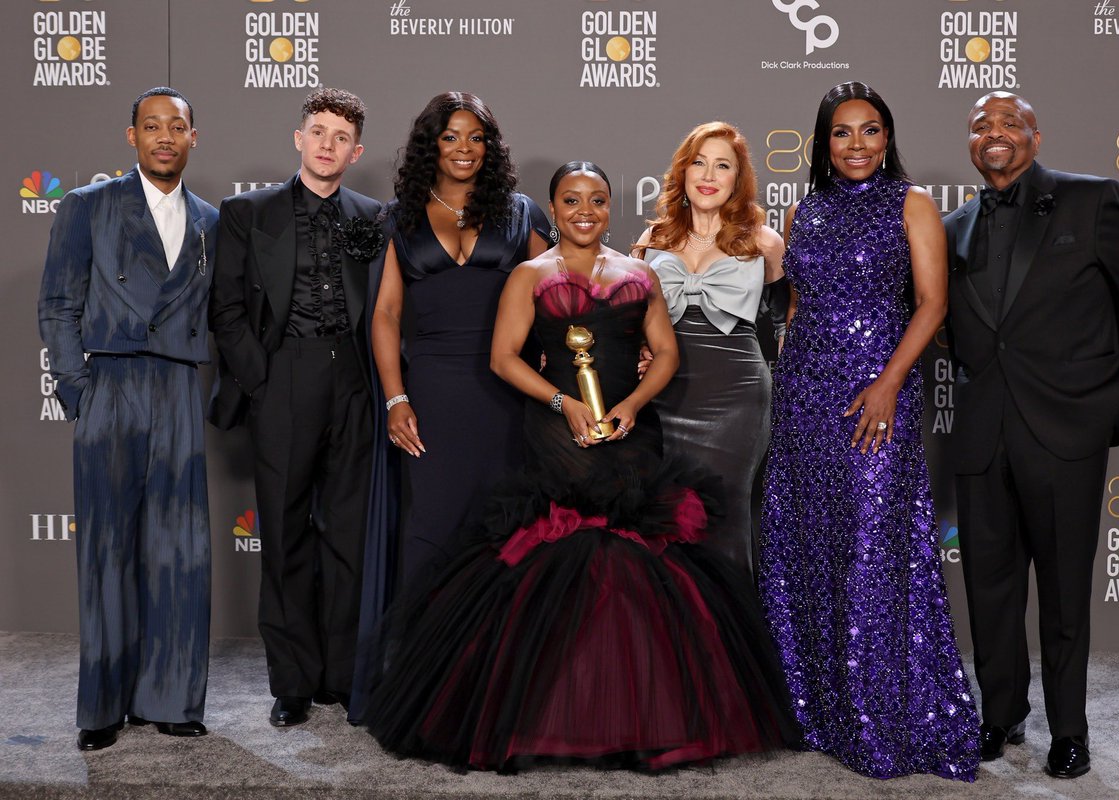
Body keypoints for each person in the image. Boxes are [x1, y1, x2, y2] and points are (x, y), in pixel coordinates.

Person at [363, 162, 797, 771]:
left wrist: (632, 405)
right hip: (555, 433)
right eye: (571, 200)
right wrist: (560, 401)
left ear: (611, 206)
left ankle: (637, 714)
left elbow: (667, 353)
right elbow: (503, 358)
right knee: (560, 556)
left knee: (636, 563)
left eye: (596, 199)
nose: (584, 210)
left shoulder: (638, 273)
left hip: (629, 433)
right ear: (554, 207)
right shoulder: (528, 275)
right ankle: (552, 715)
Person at [759, 81, 979, 780]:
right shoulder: (805, 210)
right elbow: (796, 305)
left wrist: (886, 384)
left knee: (871, 548)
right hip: (803, 396)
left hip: (876, 394)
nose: (857, 145)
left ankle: (879, 712)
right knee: (809, 544)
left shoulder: (912, 203)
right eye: (842, 133)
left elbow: (934, 303)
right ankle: (817, 708)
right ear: (823, 143)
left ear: (888, 137)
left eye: (870, 130)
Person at [943, 92, 1119, 779]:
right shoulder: (952, 225)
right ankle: (999, 714)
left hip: (1066, 426)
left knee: (1065, 589)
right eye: (982, 126)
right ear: (971, 144)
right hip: (982, 430)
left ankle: (1070, 730)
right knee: (989, 585)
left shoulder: (1089, 199)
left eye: (1010, 123)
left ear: (1035, 138)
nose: (995, 134)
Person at [38, 87, 217, 751]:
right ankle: (104, 707)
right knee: (107, 549)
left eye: (177, 126)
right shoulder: (88, 206)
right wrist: (78, 391)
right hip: (109, 384)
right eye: (152, 126)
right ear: (131, 137)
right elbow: (57, 304)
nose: (164, 136)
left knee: (182, 551)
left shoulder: (211, 221)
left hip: (176, 387)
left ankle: (171, 699)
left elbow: (222, 316)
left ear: (193, 137)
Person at [209, 88, 384, 727]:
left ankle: (341, 675)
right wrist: (261, 382)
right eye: (317, 131)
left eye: (341, 136)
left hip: (356, 383)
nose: (327, 144)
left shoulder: (376, 216)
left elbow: (389, 311)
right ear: (299, 138)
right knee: (282, 533)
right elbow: (225, 310)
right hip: (283, 376)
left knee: (348, 534)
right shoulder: (247, 212)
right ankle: (292, 681)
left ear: (356, 150)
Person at [633, 122, 787, 578]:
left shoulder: (765, 241)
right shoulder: (650, 242)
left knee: (727, 514)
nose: (709, 174)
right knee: (669, 518)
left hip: (736, 395)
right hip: (665, 395)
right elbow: (634, 324)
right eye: (699, 162)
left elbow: (783, 324)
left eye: (723, 165)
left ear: (738, 180)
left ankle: (731, 639)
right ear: (682, 172)